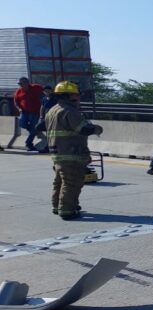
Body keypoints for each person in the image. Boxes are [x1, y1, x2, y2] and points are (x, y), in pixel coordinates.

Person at [45, 81, 103, 220]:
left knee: (60, 181)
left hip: (57, 152)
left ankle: (57, 206)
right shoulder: (70, 111)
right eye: (76, 94)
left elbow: (41, 126)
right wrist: (97, 128)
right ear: (69, 96)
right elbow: (83, 129)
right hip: (71, 153)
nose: (78, 97)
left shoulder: (53, 110)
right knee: (72, 182)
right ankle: (67, 210)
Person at [13, 77, 44, 151]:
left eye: (22, 83)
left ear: (27, 82)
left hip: (35, 112)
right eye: (19, 84)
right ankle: (34, 131)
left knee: (33, 128)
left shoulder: (36, 87)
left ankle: (28, 143)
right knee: (21, 123)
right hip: (24, 112)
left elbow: (46, 90)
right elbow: (16, 102)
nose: (20, 85)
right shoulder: (18, 91)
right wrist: (19, 109)